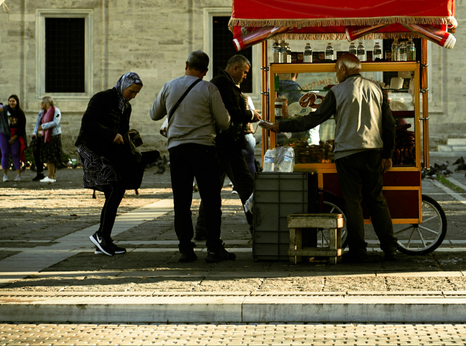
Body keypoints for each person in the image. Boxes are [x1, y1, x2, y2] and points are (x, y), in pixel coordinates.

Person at [263, 53, 398, 262]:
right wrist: (387, 155)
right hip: (373, 152)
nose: (336, 74)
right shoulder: (377, 89)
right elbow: (389, 126)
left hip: (347, 154)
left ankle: (358, 251)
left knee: (353, 202)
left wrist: (281, 125)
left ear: (343, 69)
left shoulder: (337, 92)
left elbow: (314, 119)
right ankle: (390, 248)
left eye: (336, 70)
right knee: (377, 200)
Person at [150, 50, 233, 263]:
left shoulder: (169, 86)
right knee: (211, 200)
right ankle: (214, 247)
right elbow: (224, 122)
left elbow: (154, 114)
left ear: (186, 64)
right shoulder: (209, 88)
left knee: (182, 201)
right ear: (205, 71)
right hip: (204, 149)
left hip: (177, 151)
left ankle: (186, 248)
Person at [76, 72, 144, 256]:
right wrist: (111, 134)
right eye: (131, 91)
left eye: (136, 93)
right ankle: (101, 236)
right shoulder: (102, 98)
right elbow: (88, 123)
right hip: (90, 148)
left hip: (107, 151)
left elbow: (122, 131)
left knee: (116, 189)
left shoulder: (126, 107)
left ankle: (103, 238)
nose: (133, 96)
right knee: (114, 188)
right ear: (123, 86)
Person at [195, 54, 261, 240]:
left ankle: (202, 230)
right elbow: (231, 112)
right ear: (235, 68)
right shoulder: (222, 84)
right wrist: (250, 115)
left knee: (212, 188)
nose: (246, 76)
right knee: (246, 186)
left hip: (223, 143)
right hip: (226, 144)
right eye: (245, 72)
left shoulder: (225, 83)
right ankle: (257, 228)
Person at [34, 96, 63, 183]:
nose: (41, 104)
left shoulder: (56, 111)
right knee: (49, 157)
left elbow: (55, 122)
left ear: (46, 103)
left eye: (42, 102)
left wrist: (43, 126)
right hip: (46, 136)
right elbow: (37, 123)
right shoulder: (42, 113)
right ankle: (51, 175)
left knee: (52, 157)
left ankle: (51, 176)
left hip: (53, 136)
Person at [0, 95, 26, 182]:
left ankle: (18, 174)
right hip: (4, 133)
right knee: (5, 153)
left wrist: (14, 138)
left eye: (13, 101)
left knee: (15, 153)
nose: (11, 103)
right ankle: (5, 175)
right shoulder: (4, 110)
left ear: (17, 102)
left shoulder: (20, 113)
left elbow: (22, 128)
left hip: (15, 134)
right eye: (10, 101)